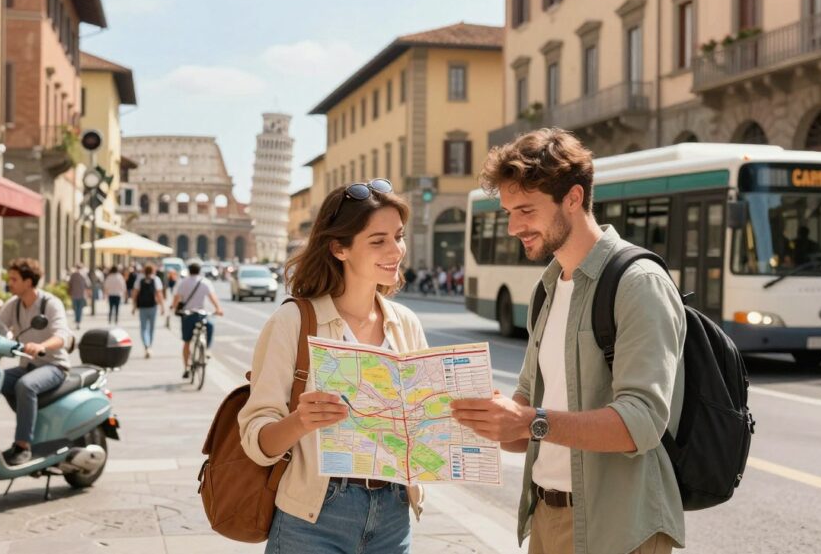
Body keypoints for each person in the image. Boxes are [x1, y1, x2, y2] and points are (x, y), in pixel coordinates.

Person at [450, 128, 686, 554]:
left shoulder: (638, 283)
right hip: (546, 516)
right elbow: (524, 422)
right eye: (508, 212)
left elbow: (642, 422)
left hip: (620, 528)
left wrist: (530, 421)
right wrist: (482, 418)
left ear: (573, 199)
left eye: (525, 210)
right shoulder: (548, 286)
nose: (512, 227)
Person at [238, 179, 427, 554]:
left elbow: (421, 431)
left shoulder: (405, 323)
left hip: (393, 513)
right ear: (339, 248)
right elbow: (256, 442)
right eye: (378, 241)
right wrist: (300, 421)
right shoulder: (292, 322)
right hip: (314, 517)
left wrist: (458, 413)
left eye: (399, 236)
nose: (396, 251)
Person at [0, 258, 73, 466]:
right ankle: (28, 421)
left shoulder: (50, 303)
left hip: (54, 366)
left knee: (25, 386)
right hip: (27, 365)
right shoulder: (14, 304)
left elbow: (62, 335)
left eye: (14, 279)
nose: (9, 283)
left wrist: (42, 346)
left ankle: (22, 446)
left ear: (28, 282)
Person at [171, 262, 223, 379]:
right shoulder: (205, 282)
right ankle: (207, 349)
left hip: (187, 315)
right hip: (201, 314)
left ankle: (186, 368)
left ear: (189, 271)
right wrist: (218, 309)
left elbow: (176, 298)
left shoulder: (183, 282)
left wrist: (174, 308)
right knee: (210, 326)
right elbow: (212, 297)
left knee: (187, 342)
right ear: (199, 271)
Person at [131, 263, 166, 359]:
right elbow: (159, 294)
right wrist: (162, 307)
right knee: (151, 328)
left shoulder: (139, 279)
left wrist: (134, 307)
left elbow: (135, 294)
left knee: (143, 328)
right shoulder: (156, 279)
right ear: (153, 271)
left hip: (142, 306)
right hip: (153, 306)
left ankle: (146, 345)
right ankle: (149, 345)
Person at [67, 265, 91, 330]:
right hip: (81, 295)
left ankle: (77, 320)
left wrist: (69, 292)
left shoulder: (73, 275)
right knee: (80, 309)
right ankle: (78, 321)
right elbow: (88, 284)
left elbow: (69, 284)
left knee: (75, 309)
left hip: (74, 295)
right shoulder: (84, 275)